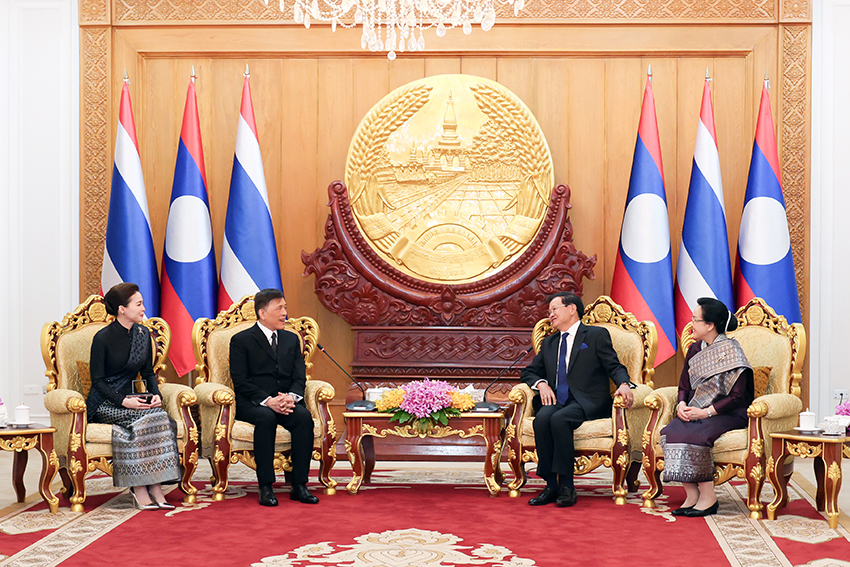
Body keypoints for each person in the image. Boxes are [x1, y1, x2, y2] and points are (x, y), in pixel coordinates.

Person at [521, 292, 635, 507]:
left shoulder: (595, 335)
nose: (550, 315)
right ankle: (550, 486)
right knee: (542, 419)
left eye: (554, 309)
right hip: (557, 400)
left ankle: (567, 487)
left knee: (559, 420)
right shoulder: (550, 342)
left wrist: (623, 384)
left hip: (586, 400)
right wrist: (542, 384)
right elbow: (529, 372)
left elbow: (614, 366)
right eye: (549, 311)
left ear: (572, 309)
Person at [88, 283, 180, 510]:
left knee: (159, 415)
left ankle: (156, 486)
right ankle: (139, 488)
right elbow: (97, 381)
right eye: (138, 304)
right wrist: (123, 401)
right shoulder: (102, 338)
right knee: (147, 420)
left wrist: (156, 395)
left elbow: (148, 372)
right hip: (105, 403)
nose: (143, 308)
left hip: (133, 399)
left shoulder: (142, 334)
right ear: (122, 309)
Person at [661, 297, 754, 517]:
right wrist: (681, 404)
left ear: (710, 325)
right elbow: (684, 385)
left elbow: (737, 397)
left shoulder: (731, 351)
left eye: (695, 319)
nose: (691, 324)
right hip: (696, 409)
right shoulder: (695, 349)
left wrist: (706, 412)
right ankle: (692, 494)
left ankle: (708, 497)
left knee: (697, 435)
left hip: (728, 412)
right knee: (670, 431)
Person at [229, 288, 318, 507]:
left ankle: (299, 485)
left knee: (303, 417)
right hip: (253, 402)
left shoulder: (291, 339)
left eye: (285, 307)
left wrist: (291, 397)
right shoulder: (241, 340)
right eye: (279, 308)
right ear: (262, 313)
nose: (284, 313)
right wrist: (268, 401)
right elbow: (240, 380)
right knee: (266, 417)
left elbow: (299, 376)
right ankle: (266, 486)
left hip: (284, 401)